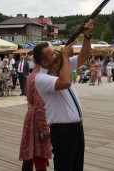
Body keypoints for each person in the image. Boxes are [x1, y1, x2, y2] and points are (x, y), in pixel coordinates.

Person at [33, 19, 94, 171]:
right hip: (63, 131)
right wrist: (66, 58)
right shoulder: (40, 78)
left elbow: (84, 56)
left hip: (76, 129)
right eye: (52, 54)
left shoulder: (61, 66)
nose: (57, 53)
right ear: (44, 62)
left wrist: (87, 37)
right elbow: (65, 82)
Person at [19, 66, 52, 171]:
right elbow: (40, 107)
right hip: (37, 120)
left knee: (29, 152)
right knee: (39, 154)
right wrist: (45, 130)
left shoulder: (32, 75)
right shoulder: (40, 78)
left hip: (31, 116)